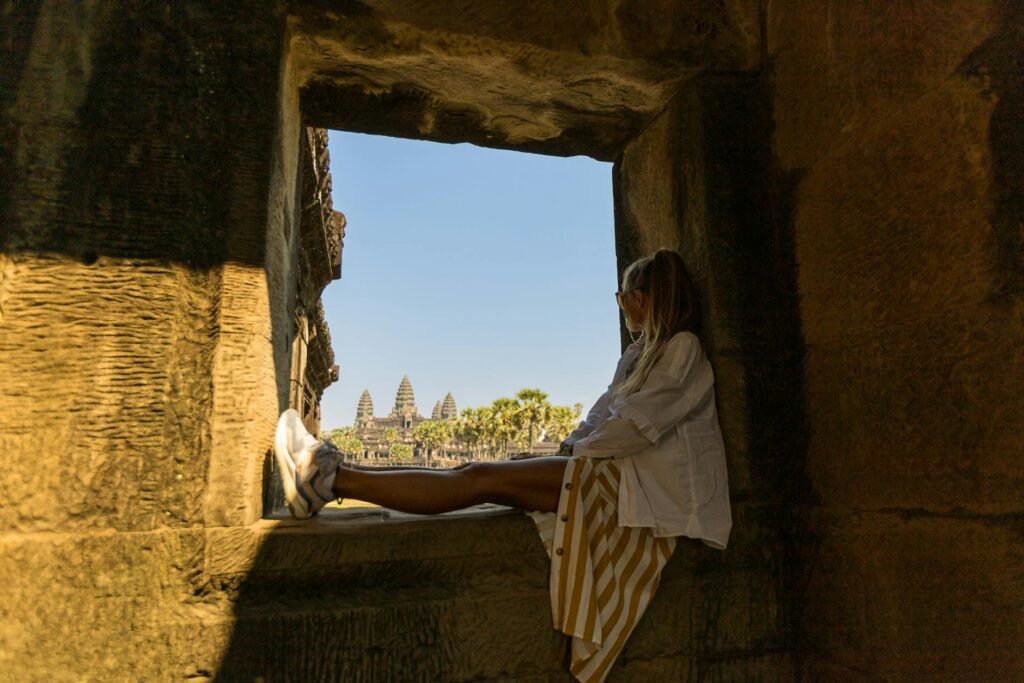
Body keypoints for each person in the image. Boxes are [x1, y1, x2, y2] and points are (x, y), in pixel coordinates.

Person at [273, 248, 732, 683]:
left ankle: (329, 478)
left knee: (480, 478)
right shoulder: (637, 356)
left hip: (629, 486)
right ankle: (332, 476)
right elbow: (599, 416)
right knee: (480, 474)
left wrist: (571, 455)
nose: (622, 306)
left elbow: (634, 427)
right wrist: (567, 448)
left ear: (642, 298)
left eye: (623, 298)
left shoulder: (683, 349)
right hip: (607, 475)